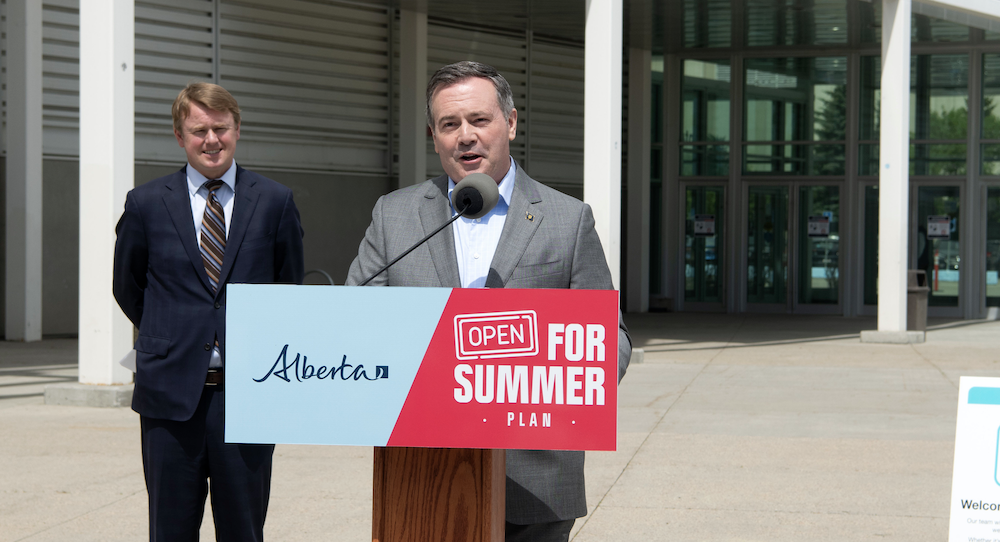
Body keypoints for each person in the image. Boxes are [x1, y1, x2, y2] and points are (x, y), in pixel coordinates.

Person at [346, 61, 631, 542]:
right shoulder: (394, 215)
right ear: (433, 136)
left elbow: (610, 340)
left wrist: (563, 383)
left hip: (536, 474)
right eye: (450, 124)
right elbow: (353, 320)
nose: (465, 136)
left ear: (511, 123)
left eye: (480, 120)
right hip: (420, 473)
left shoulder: (567, 219)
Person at [113, 82, 305, 541]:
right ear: (180, 137)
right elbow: (127, 286)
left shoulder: (275, 201)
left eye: (220, 128)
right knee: (170, 529)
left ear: (237, 129)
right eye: (199, 130)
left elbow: (289, 286)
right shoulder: (145, 203)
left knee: (244, 529)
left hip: (248, 395)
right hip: (169, 395)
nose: (211, 140)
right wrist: (174, 331)